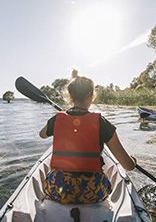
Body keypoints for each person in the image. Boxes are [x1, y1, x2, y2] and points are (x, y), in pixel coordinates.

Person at [39, 70, 136, 204]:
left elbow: (42, 135)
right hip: (93, 192)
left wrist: (56, 119)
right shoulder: (101, 122)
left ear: (70, 96)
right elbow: (128, 166)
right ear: (91, 95)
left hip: (57, 190)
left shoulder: (57, 119)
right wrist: (133, 161)